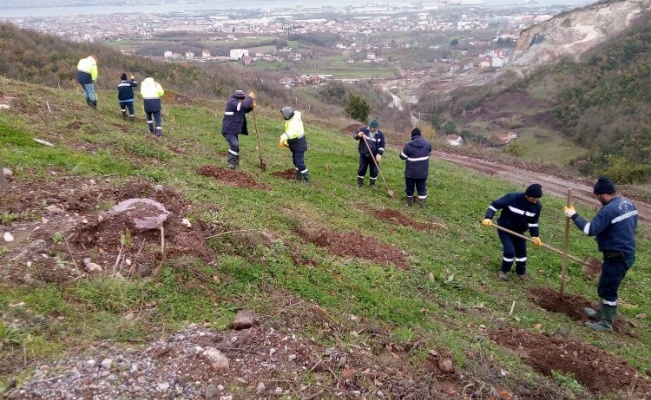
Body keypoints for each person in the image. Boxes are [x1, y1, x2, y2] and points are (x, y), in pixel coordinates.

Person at [564, 177, 638, 331]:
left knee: (608, 289)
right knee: (605, 285)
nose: (597, 199)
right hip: (626, 252)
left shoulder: (609, 210)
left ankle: (606, 323)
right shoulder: (628, 204)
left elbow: (589, 229)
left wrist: (573, 215)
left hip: (617, 256)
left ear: (603, 194)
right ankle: (601, 314)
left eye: (597, 196)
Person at [481, 184, 543, 281]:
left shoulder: (537, 206)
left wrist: (535, 236)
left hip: (519, 231)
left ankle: (520, 272)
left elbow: (533, 222)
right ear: (527, 195)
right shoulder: (512, 198)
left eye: (537, 199)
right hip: (504, 228)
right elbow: (494, 205)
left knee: (522, 253)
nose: (535, 201)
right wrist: (488, 217)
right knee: (510, 251)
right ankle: (504, 271)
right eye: (533, 198)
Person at [221, 90, 255, 169]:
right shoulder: (232, 102)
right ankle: (231, 165)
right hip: (228, 130)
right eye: (241, 100)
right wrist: (250, 98)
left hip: (234, 130)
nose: (242, 101)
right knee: (234, 145)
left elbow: (243, 109)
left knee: (236, 147)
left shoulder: (238, 104)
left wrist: (251, 107)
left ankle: (235, 164)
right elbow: (242, 106)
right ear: (238, 98)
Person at [399, 127, 432, 208]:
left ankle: (409, 205)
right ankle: (422, 205)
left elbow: (402, 156)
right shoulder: (428, 144)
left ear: (412, 136)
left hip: (411, 173)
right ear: (420, 135)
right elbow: (429, 153)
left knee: (410, 188)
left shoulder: (408, 145)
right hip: (423, 173)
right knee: (422, 188)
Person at [279, 106, 310, 185]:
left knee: (299, 162)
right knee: (296, 161)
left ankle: (307, 180)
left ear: (287, 115)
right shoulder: (290, 119)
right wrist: (285, 141)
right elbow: (289, 132)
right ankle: (298, 179)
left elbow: (292, 132)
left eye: (283, 114)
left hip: (299, 143)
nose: (282, 116)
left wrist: (283, 138)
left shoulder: (294, 122)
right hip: (295, 143)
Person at [354, 119, 385, 189]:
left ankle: (372, 184)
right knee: (362, 168)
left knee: (374, 170)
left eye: (376, 128)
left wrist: (379, 154)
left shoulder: (380, 135)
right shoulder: (364, 130)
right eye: (374, 128)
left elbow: (382, 145)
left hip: (374, 156)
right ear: (370, 127)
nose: (375, 130)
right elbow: (355, 136)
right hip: (364, 154)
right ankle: (360, 183)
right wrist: (358, 135)